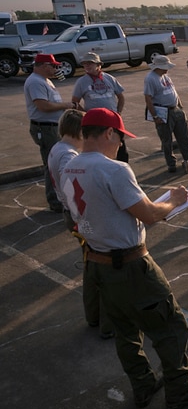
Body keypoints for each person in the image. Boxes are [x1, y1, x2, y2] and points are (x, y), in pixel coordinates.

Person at [63, 108, 188, 409]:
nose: (121, 144)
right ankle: (180, 388)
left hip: (97, 263)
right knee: (170, 324)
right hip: (130, 266)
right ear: (109, 133)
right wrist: (173, 201)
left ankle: (143, 384)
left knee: (125, 331)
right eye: (120, 137)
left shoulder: (69, 167)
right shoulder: (115, 169)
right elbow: (148, 214)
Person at [48, 109, 114, 339]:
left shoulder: (57, 149)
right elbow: (75, 189)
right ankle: (107, 323)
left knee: (92, 265)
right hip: (79, 214)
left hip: (72, 213)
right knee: (103, 267)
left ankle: (94, 316)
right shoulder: (69, 156)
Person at [25, 53, 76, 211]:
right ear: (43, 66)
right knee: (52, 163)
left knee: (56, 161)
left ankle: (58, 198)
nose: (56, 69)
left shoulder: (44, 80)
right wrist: (65, 105)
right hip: (45, 127)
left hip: (51, 126)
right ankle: (55, 200)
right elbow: (43, 106)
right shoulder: (35, 82)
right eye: (53, 66)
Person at [143, 55, 188, 174]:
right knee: (166, 140)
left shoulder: (166, 76)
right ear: (159, 67)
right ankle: (171, 163)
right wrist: (155, 116)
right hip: (163, 111)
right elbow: (148, 98)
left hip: (175, 109)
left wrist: (180, 106)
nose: (167, 69)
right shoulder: (150, 79)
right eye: (165, 67)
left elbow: (173, 91)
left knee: (184, 136)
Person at [72, 52, 128, 162]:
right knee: (99, 150)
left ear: (99, 65)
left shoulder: (109, 78)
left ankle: (122, 168)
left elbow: (121, 97)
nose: (87, 66)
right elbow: (74, 102)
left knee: (121, 150)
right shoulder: (81, 82)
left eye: (90, 63)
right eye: (85, 64)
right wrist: (87, 115)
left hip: (112, 120)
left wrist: (118, 113)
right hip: (95, 123)